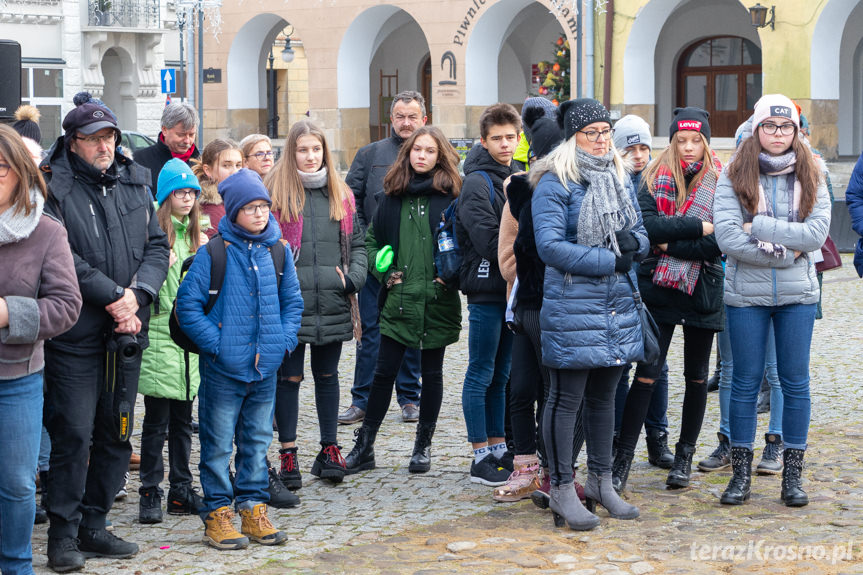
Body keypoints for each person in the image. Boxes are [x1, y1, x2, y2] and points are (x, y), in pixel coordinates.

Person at [40, 92, 170, 572]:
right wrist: (114, 295)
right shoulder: (54, 188)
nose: (104, 146)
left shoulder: (136, 181)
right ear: (73, 143)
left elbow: (158, 246)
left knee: (116, 432)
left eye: (110, 137)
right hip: (75, 334)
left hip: (127, 333)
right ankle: (63, 534)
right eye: (94, 139)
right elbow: (62, 259)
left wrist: (138, 296)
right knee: (73, 433)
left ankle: (95, 524)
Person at [531, 98, 648, 530]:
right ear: (573, 137)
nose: (602, 141)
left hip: (616, 304)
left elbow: (638, 231)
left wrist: (636, 246)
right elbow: (549, 247)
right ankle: (561, 486)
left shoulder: (618, 177)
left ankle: (601, 481)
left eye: (605, 133)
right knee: (566, 400)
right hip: (572, 305)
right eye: (592, 134)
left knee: (603, 398)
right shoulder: (555, 182)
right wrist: (608, 260)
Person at [176, 168, 303, 549]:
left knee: (257, 441)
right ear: (233, 212)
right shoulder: (213, 253)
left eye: (263, 206)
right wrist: (216, 345)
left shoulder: (277, 251)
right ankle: (217, 514)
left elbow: (292, 303)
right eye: (250, 208)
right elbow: (188, 307)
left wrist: (283, 341)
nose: (260, 214)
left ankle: (252, 507)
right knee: (216, 446)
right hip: (222, 372)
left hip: (265, 369)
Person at [715, 94, 830, 507]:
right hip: (746, 295)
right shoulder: (733, 174)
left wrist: (760, 226)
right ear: (757, 129)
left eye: (786, 127)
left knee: (795, 382)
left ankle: (791, 476)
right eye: (770, 126)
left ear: (796, 131)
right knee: (745, 383)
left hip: (798, 295)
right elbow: (728, 237)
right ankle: (741, 475)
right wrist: (786, 247)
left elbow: (816, 235)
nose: (778, 134)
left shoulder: (813, 170)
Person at [612, 107, 724, 493]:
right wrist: (696, 227)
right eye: (682, 141)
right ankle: (621, 462)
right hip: (657, 291)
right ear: (672, 141)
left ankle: (684, 458)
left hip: (702, 291)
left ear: (706, 142)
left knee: (696, 378)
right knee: (646, 374)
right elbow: (646, 227)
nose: (689, 148)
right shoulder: (653, 178)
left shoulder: (721, 181)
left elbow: (719, 241)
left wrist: (669, 244)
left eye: (696, 141)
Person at [344, 126, 462, 475]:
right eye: (417, 150)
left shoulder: (452, 196)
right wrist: (386, 273)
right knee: (383, 373)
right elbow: (371, 241)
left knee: (432, 374)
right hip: (397, 301)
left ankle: (422, 447)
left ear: (440, 156)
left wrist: (451, 275)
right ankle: (365, 446)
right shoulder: (391, 196)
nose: (422, 156)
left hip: (437, 299)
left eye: (430, 150)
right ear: (407, 154)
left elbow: (468, 240)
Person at [265, 120, 366, 487]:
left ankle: (329, 448)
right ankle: (288, 453)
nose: (310, 157)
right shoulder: (276, 192)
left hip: (331, 299)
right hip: (289, 303)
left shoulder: (341, 193)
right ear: (291, 153)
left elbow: (357, 244)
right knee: (288, 378)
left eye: (316, 149)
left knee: (327, 377)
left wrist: (351, 278)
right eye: (303, 150)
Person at [0, 125, 82, 575]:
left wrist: (8, 313)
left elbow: (67, 306)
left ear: (22, 173)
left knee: (15, 483)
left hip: (16, 377)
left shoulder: (45, 231)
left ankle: (15, 565)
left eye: (1, 167)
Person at [340, 90, 427, 426]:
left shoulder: (431, 154)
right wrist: (365, 243)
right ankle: (362, 399)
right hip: (374, 260)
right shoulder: (370, 154)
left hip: (415, 262)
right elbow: (351, 204)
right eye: (400, 116)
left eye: (413, 116)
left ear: (424, 118)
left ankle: (409, 398)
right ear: (392, 119)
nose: (406, 123)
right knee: (372, 330)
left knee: (411, 330)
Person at [493, 106, 562, 502]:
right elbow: (506, 264)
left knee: (557, 393)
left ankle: (555, 470)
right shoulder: (518, 195)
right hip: (524, 309)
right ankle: (525, 469)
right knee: (520, 389)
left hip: (564, 309)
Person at [137, 159, 207, 524]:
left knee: (183, 422)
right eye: (180, 192)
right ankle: (150, 490)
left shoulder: (198, 236)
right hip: (161, 338)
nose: (187, 198)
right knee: (155, 423)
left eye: (192, 192)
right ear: (166, 197)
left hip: (188, 342)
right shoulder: (155, 238)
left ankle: (181, 488)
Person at [457, 103, 520, 487]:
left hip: (509, 290)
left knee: (502, 374)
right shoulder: (476, 182)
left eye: (510, 137)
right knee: (480, 371)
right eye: (496, 138)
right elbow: (485, 239)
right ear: (484, 141)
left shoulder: (516, 175)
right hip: (484, 290)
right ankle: (479, 452)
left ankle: (498, 447)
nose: (504, 144)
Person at [610, 115, 674, 471]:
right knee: (619, 367)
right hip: (623, 285)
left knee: (655, 365)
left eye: (644, 148)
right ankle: (618, 438)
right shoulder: (612, 182)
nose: (638, 155)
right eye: (630, 148)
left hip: (654, 283)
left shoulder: (659, 181)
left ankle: (657, 436)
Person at [134, 102, 200, 197]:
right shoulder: (139, 160)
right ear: (165, 130)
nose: (187, 141)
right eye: (181, 135)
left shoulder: (201, 163)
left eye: (191, 135)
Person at [192, 138, 243, 239]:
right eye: (226, 165)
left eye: (238, 165)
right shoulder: (210, 208)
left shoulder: (244, 197)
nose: (234, 171)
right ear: (208, 170)